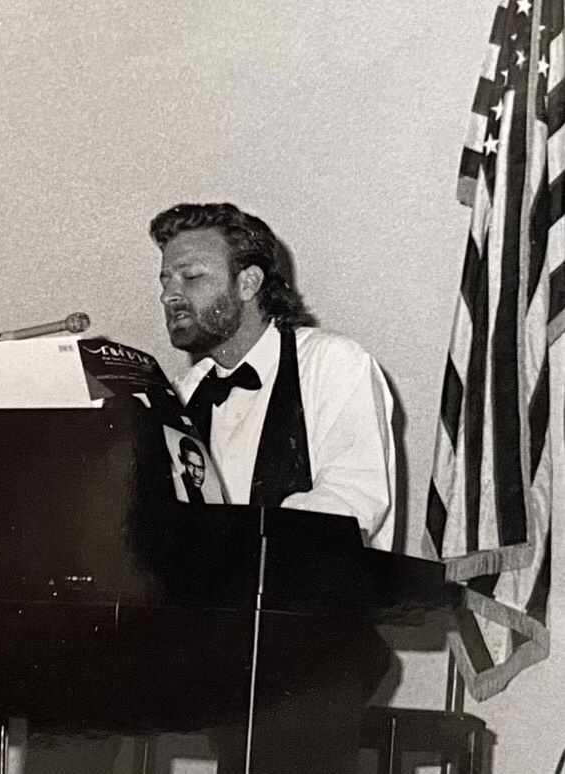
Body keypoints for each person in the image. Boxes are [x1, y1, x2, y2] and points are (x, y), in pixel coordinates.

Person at [150, 202, 394, 774]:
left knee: (291, 681)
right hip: (206, 637)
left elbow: (354, 504)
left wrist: (231, 545)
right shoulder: (183, 393)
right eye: (164, 278)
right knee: (79, 682)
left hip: (309, 632)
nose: (168, 293)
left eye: (191, 276)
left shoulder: (333, 364)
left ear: (249, 281)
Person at [178, 435, 206, 504]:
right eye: (191, 466)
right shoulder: (180, 490)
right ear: (182, 461)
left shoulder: (198, 494)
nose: (196, 473)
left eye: (201, 468)